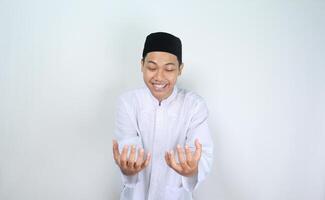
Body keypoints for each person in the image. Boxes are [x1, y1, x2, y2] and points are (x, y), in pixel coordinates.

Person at [112, 32, 213, 200]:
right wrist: (128, 170)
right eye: (152, 67)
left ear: (180, 69)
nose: (159, 77)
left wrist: (192, 171)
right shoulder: (128, 102)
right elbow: (128, 149)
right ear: (142, 65)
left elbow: (202, 155)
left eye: (169, 69)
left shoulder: (194, 106)